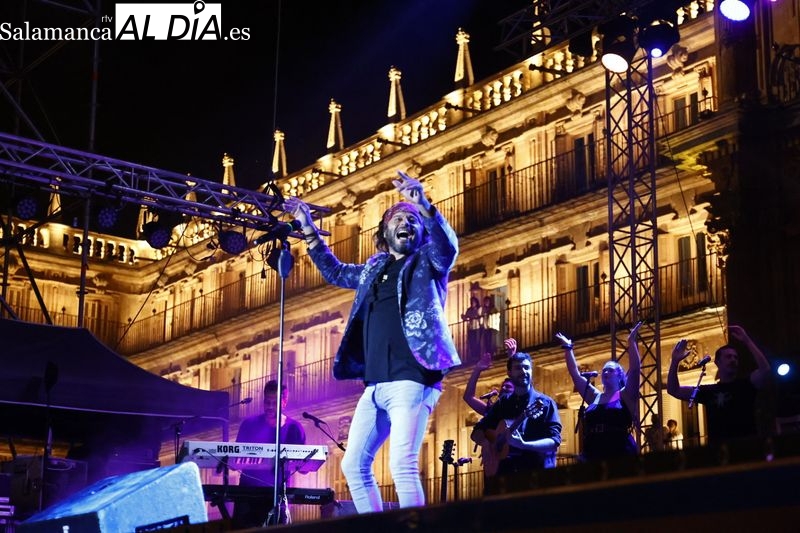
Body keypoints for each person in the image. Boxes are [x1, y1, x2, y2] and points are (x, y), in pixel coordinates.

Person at [284, 170, 460, 514]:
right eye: (399, 218)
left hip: (412, 377)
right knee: (353, 465)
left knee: (402, 464)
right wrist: (307, 228)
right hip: (376, 382)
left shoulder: (427, 262)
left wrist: (423, 205)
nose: (406, 222)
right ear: (385, 232)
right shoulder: (373, 268)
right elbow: (335, 271)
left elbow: (448, 248)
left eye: (412, 219)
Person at [667, 324, 771, 447]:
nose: (733, 360)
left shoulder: (746, 384)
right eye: (728, 357)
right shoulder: (709, 391)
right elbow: (673, 390)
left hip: (747, 447)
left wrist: (747, 340)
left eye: (735, 357)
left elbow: (765, 371)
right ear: (717, 362)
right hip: (720, 450)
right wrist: (675, 361)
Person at [556, 321, 642, 462]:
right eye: (604, 370)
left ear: (620, 375)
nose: (605, 372)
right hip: (594, 449)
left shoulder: (625, 394)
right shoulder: (595, 396)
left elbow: (635, 369)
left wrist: (631, 342)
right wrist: (568, 348)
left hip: (619, 449)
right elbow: (575, 374)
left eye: (610, 370)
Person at [470, 350, 562, 482]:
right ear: (509, 373)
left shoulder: (546, 403)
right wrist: (487, 445)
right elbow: (477, 431)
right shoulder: (503, 403)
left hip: (536, 476)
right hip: (504, 477)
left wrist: (524, 444)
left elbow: (554, 441)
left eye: (526, 367)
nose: (523, 371)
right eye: (518, 368)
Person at [232, 379, 306, 528]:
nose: (270, 407)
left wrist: (303, 463)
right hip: (247, 493)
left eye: (275, 403)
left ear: (284, 403)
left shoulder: (294, 428)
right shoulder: (249, 425)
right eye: (267, 402)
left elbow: (303, 468)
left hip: (277, 495)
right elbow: (235, 459)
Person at [463, 338, 517, 416]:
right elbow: (468, 397)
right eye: (503, 387)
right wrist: (477, 370)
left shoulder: (521, 408)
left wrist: (512, 357)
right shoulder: (493, 411)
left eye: (508, 387)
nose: (503, 388)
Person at [462, 296, 483, 361]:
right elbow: (466, 317)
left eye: (473, 302)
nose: (472, 303)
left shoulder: (479, 308)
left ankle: (478, 356)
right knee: (471, 342)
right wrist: (463, 317)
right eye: (471, 302)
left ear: (476, 302)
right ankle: (473, 356)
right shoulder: (469, 310)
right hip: (470, 328)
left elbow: (480, 316)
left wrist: (474, 317)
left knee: (477, 342)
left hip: (477, 327)